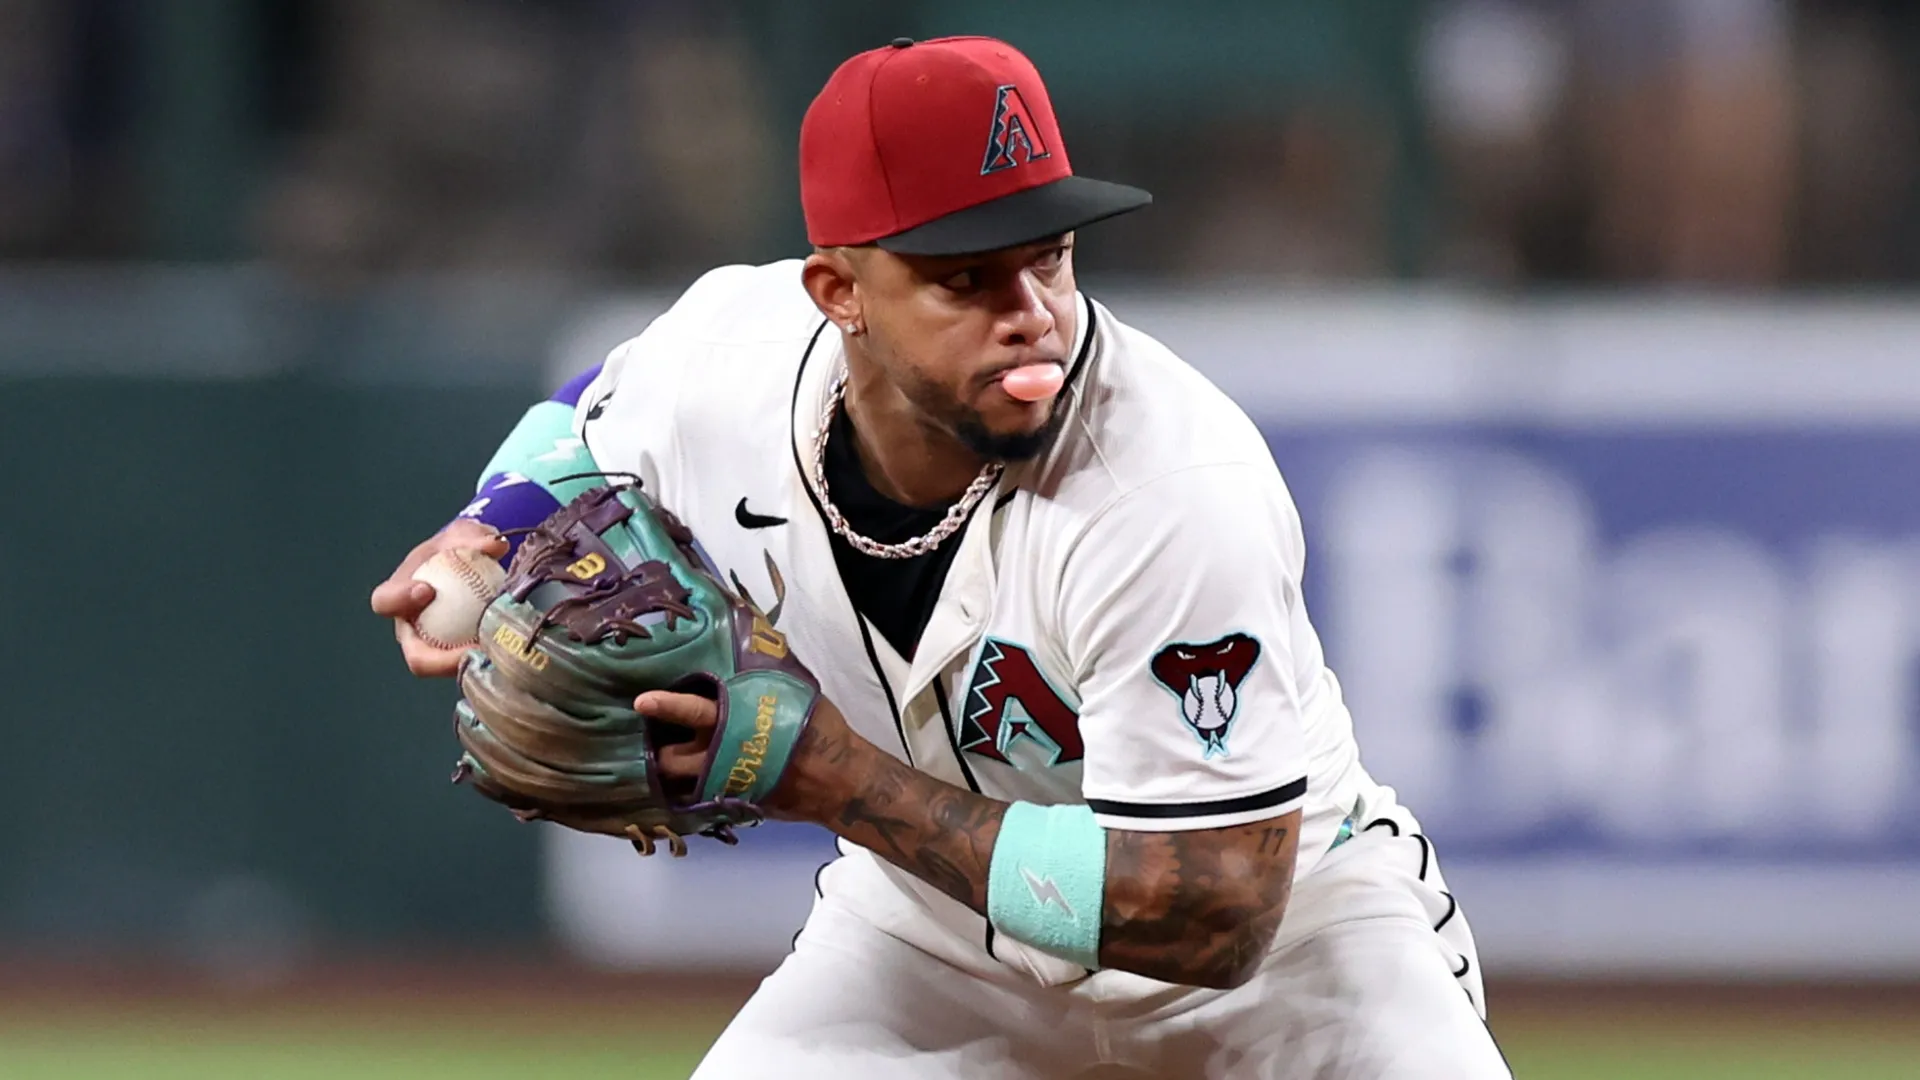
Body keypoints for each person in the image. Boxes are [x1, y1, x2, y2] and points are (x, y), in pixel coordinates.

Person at [371, 35, 1511, 1080]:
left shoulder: (1168, 483)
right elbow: (584, 429)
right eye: (966, 278)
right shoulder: (732, 352)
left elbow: (1215, 914)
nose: (1031, 317)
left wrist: (831, 779)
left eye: (1050, 260)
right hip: (940, 940)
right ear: (838, 292)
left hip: (1297, 954)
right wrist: (485, 535)